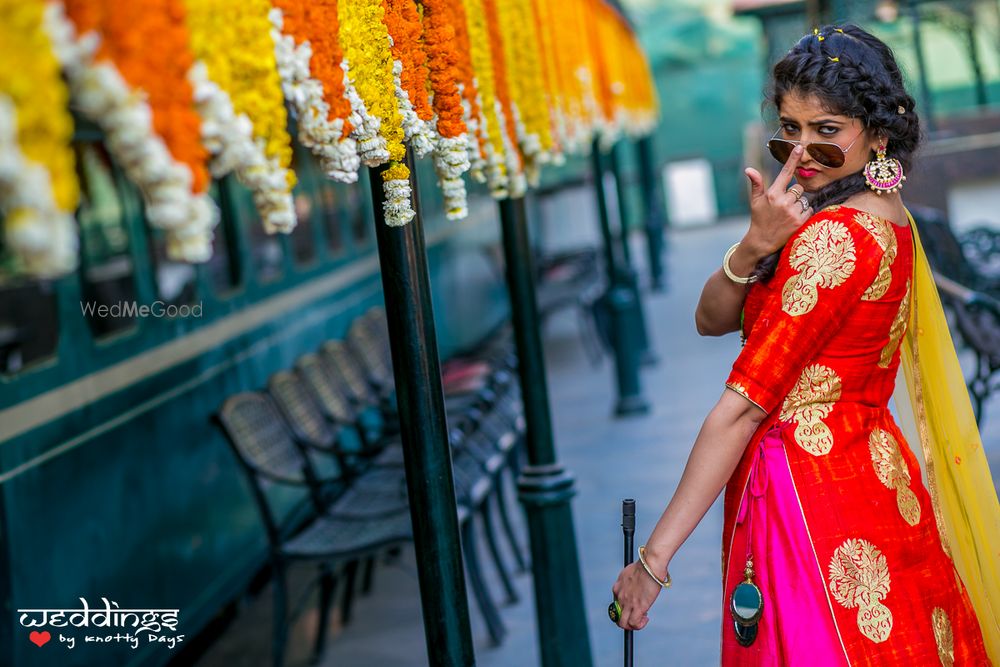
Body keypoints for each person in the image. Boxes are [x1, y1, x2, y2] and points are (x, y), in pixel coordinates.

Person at [611, 24, 999, 665]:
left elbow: (742, 407)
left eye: (827, 131)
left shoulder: (835, 238)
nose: (802, 152)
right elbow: (710, 319)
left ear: (878, 132)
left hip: (811, 500)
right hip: (871, 475)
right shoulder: (880, 214)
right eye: (788, 130)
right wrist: (754, 247)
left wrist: (653, 562)